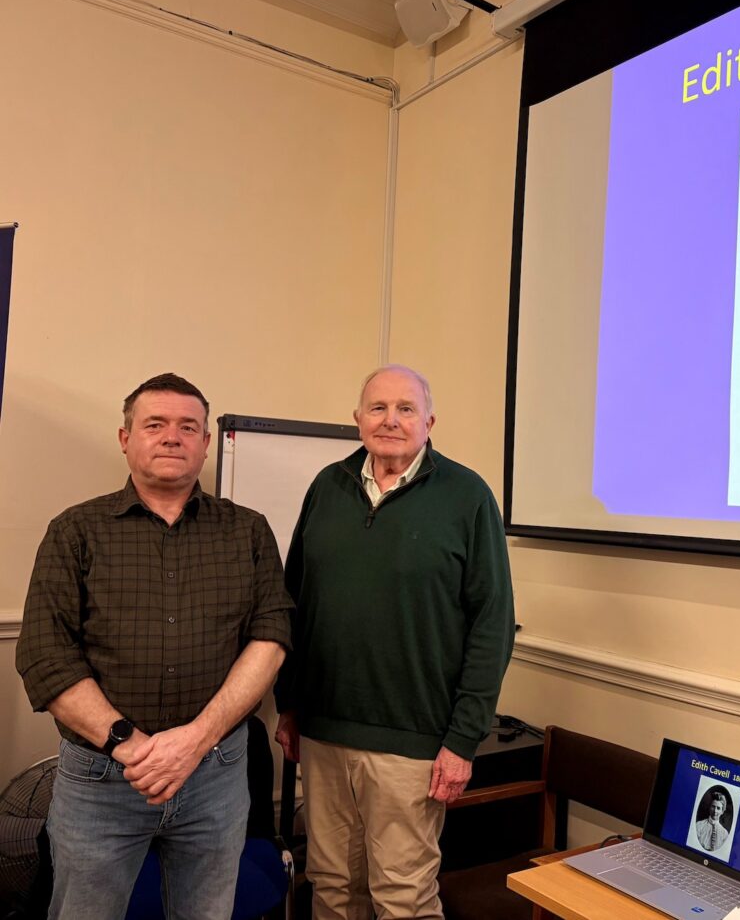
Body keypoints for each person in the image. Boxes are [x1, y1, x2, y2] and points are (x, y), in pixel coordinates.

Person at [15, 372, 293, 920]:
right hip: (100, 780)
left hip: (216, 777)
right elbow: (45, 655)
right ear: (126, 438)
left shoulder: (248, 531)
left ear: (205, 443)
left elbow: (271, 638)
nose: (173, 437)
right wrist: (129, 744)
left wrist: (194, 741)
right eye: (156, 424)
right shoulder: (76, 531)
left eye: (189, 427)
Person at [274, 364, 515, 920]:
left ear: (429, 421)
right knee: (333, 888)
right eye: (378, 408)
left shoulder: (467, 496)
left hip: (416, 744)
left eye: (406, 409)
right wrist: (288, 703)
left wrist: (463, 740)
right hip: (324, 732)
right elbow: (293, 601)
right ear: (357, 419)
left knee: (402, 897)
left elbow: (492, 624)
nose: (391, 420)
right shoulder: (326, 488)